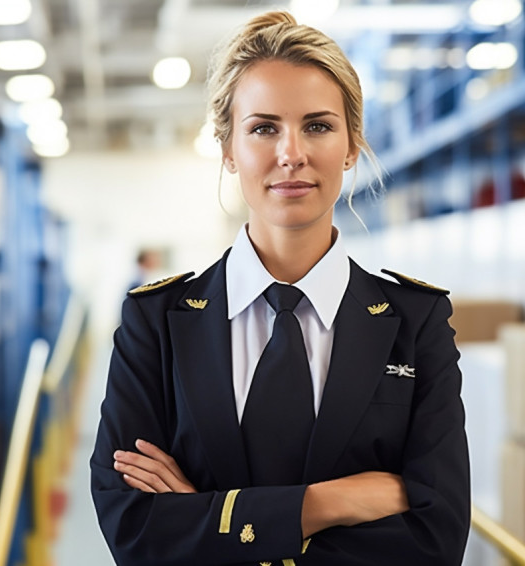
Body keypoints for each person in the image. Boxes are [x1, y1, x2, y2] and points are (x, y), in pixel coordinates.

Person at [91, 10, 470, 566]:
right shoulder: (156, 324)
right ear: (227, 149)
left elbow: (435, 540)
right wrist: (326, 502)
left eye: (317, 125)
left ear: (350, 146)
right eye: (263, 127)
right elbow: (134, 530)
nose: (291, 152)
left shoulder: (417, 325)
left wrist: (210, 517)